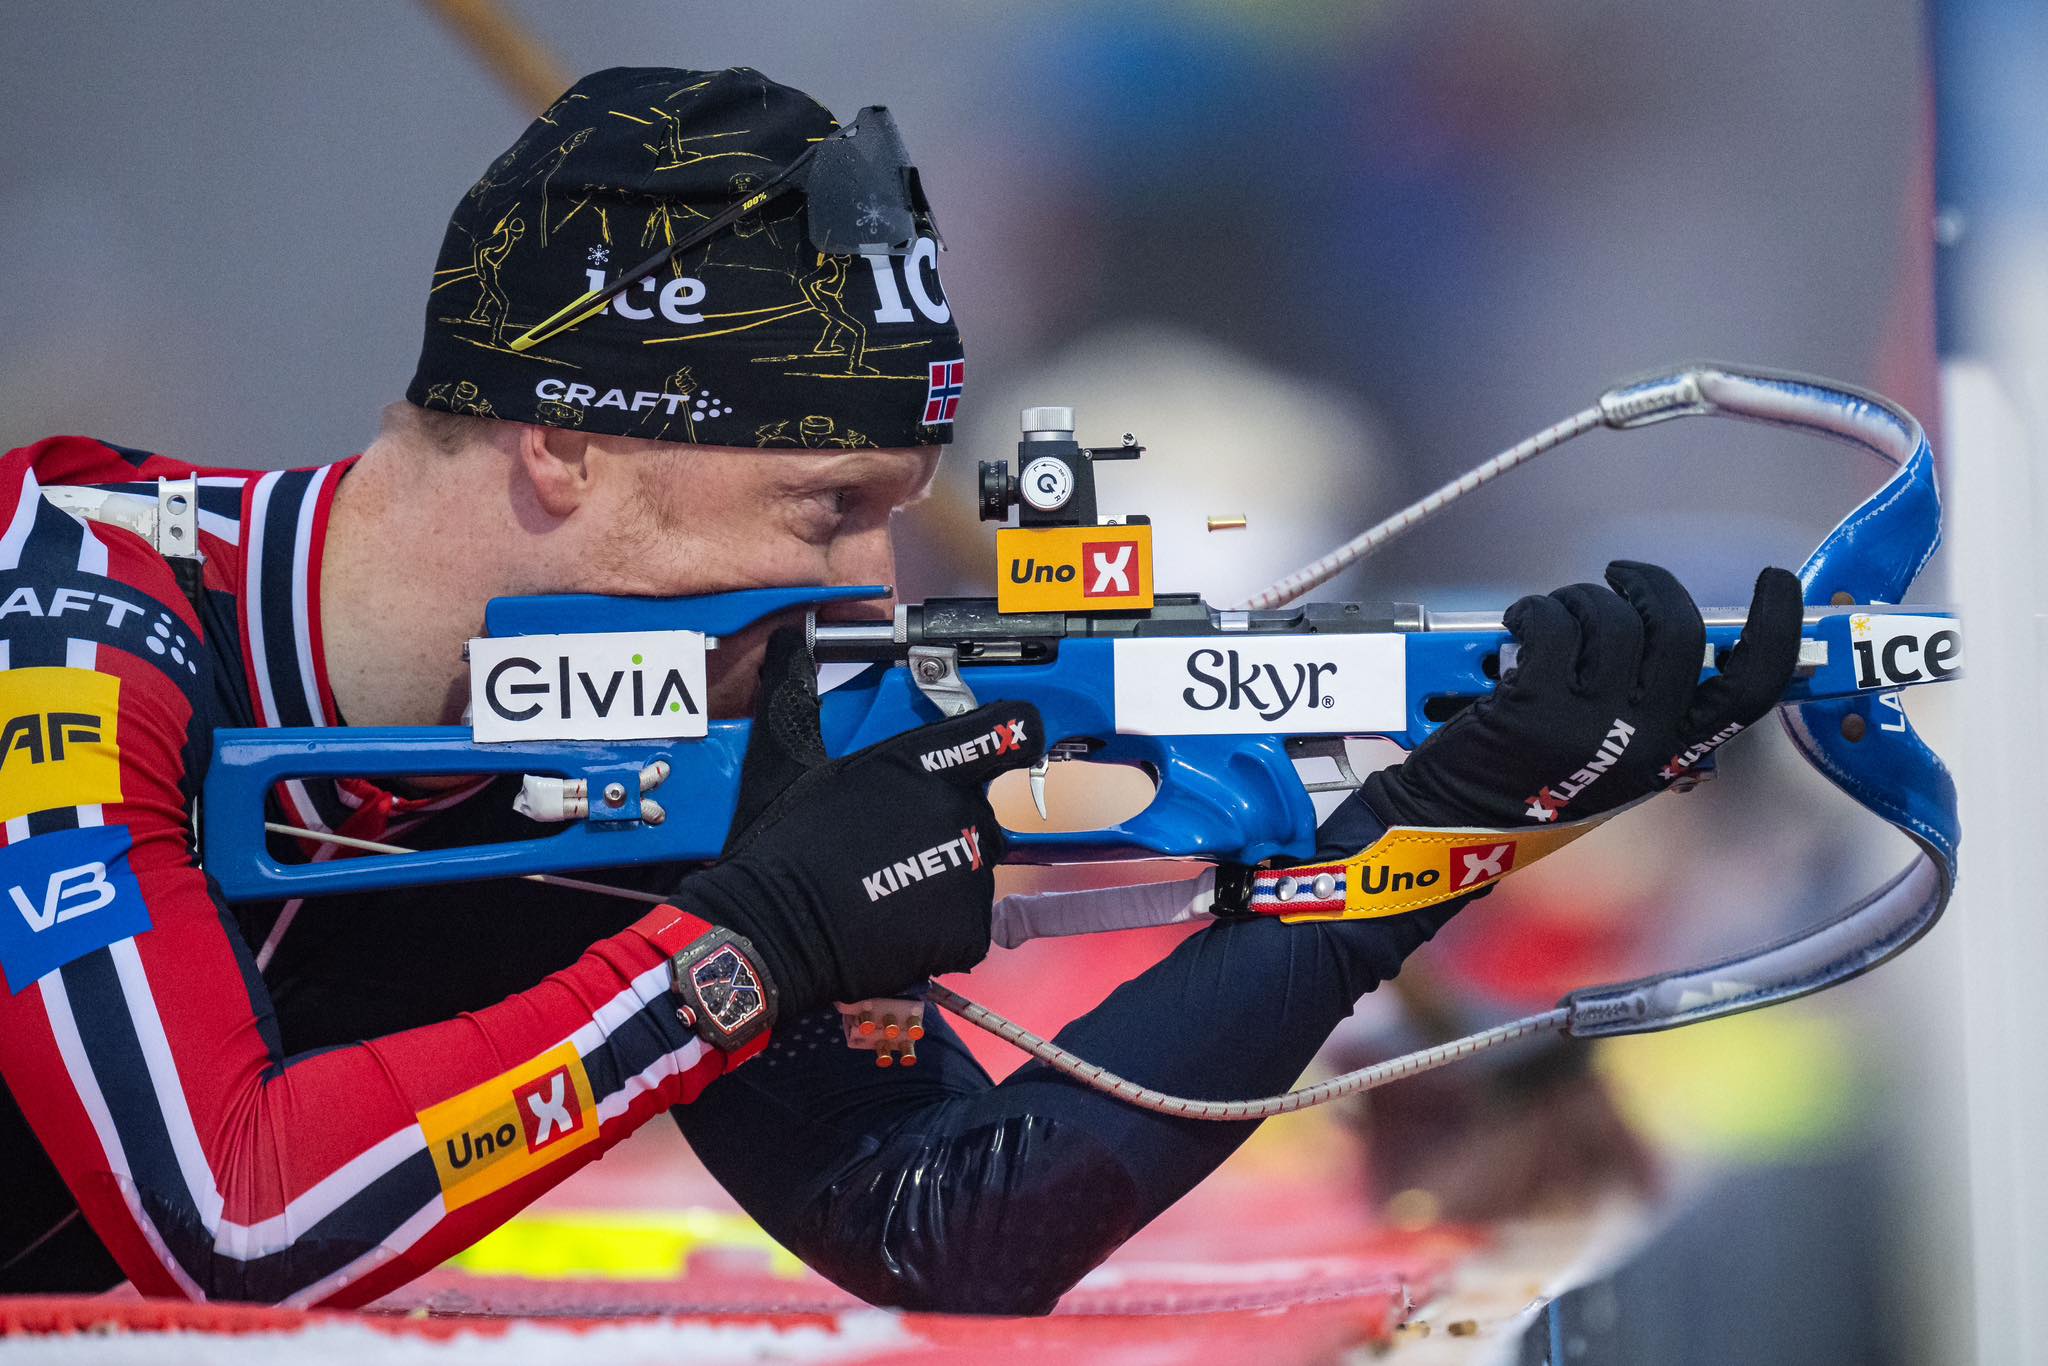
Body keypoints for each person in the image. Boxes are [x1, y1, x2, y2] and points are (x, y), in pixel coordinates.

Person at [0, 66, 1803, 1312]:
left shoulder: (672, 724)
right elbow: (232, 1209)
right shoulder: (64, 621)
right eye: (825, 507)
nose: (873, 585)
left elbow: (949, 1219)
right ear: (566, 446)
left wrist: (1418, 847)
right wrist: (742, 956)